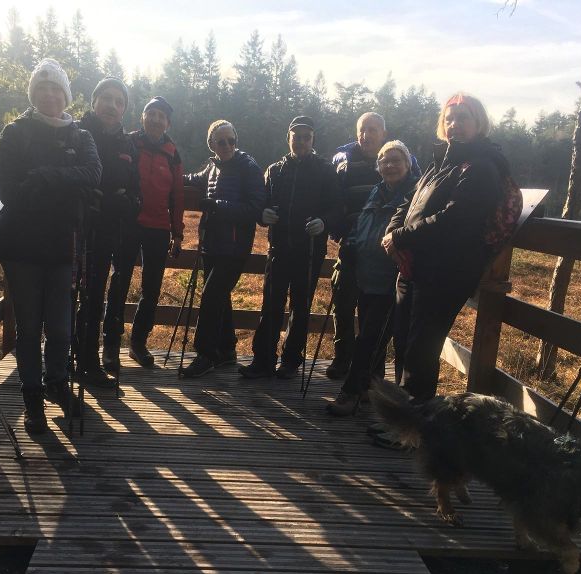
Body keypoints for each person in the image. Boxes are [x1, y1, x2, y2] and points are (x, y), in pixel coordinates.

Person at [0, 58, 102, 433]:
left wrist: (44, 177)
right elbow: (6, 188)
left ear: (66, 95)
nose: (50, 95)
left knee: (60, 327)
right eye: (43, 88)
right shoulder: (15, 132)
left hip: (62, 245)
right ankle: (32, 398)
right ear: (33, 94)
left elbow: (93, 173)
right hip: (21, 245)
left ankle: (56, 383)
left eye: (57, 89)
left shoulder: (80, 136)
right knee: (28, 327)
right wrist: (64, 186)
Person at [381, 92, 511, 409]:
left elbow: (455, 220)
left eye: (463, 118)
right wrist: (391, 234)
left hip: (445, 272)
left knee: (421, 350)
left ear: (478, 123)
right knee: (403, 341)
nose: (454, 125)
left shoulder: (482, 167)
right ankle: (402, 416)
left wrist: (400, 238)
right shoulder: (440, 162)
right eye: (449, 119)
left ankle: (414, 424)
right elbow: (407, 203)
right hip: (415, 266)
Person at [239, 116, 340, 380]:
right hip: (279, 248)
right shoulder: (274, 171)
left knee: (300, 306)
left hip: (309, 250)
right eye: (297, 136)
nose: (302, 141)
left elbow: (337, 207)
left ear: (313, 139)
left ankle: (291, 361)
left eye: (307, 137)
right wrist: (263, 215)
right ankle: (263, 360)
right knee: (271, 303)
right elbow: (261, 203)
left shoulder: (325, 170)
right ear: (289, 138)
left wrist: (324, 221)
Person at [325, 141, 418, 417]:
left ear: (408, 164)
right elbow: (361, 225)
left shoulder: (414, 194)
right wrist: (351, 244)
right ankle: (371, 389)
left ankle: (351, 391)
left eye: (396, 160)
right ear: (378, 167)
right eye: (384, 161)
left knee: (368, 338)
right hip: (367, 276)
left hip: (392, 278)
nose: (390, 165)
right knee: (370, 335)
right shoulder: (377, 192)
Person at [102, 96, 185, 370]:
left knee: (152, 288)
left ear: (168, 123)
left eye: (162, 116)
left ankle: (138, 343)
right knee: (119, 281)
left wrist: (178, 233)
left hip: (159, 228)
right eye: (152, 113)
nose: (156, 119)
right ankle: (111, 344)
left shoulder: (172, 153)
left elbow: (178, 195)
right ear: (143, 117)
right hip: (128, 223)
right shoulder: (128, 142)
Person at [179, 120, 266, 377]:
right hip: (212, 244)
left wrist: (218, 206)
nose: (227, 145)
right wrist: (170, 177)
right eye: (221, 141)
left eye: (231, 140)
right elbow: (191, 179)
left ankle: (205, 354)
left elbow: (255, 208)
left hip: (235, 247)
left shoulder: (248, 167)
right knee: (219, 296)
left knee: (211, 296)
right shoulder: (212, 167)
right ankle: (227, 350)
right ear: (212, 145)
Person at [76, 77, 140, 387]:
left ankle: (88, 362)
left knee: (94, 297)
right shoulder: (76, 133)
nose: (112, 106)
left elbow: (135, 188)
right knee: (69, 298)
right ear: (94, 102)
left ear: (124, 109)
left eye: (119, 101)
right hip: (76, 231)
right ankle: (66, 364)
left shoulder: (127, 143)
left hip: (107, 233)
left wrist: (127, 203)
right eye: (107, 98)